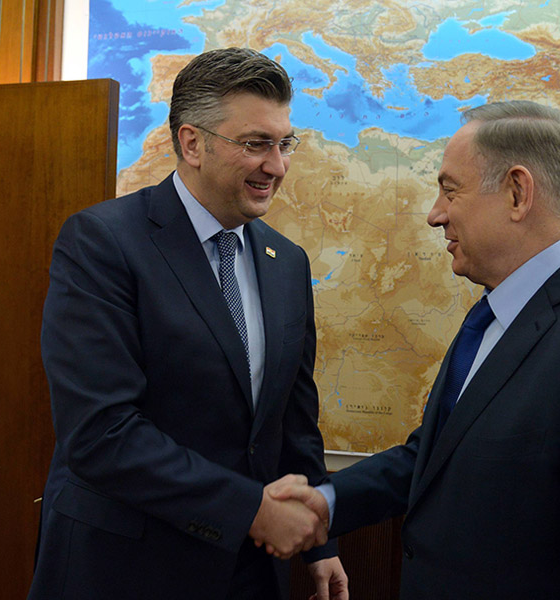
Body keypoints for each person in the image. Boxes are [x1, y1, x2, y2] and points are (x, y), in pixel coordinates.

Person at [273, 100, 560, 599]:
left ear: (518, 193)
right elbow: (435, 458)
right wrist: (326, 502)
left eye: (450, 191)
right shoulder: (495, 316)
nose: (436, 215)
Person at [28, 48, 347, 600]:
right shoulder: (102, 243)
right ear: (191, 142)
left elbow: (293, 421)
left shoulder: (287, 262)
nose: (277, 165)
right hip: (125, 570)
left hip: (250, 573)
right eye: (256, 144)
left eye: (284, 143)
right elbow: (101, 433)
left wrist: (320, 542)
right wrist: (250, 510)